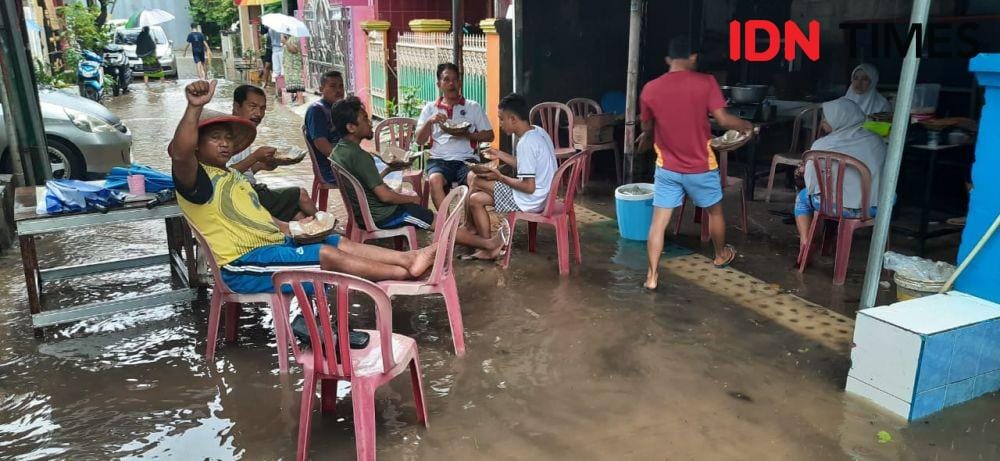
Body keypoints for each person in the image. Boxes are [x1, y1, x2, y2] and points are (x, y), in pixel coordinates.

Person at [169, 80, 436, 294]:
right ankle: (405, 273)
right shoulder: (197, 180)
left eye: (228, 138)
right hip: (242, 266)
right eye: (215, 138)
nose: (225, 144)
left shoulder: (232, 176)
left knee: (335, 240)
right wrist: (194, 107)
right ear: (196, 146)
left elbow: (262, 218)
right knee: (326, 254)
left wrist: (294, 228)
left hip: (269, 248)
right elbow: (180, 155)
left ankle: (408, 259)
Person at [637, 36, 753, 291]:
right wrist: (747, 126)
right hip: (701, 166)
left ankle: (652, 276)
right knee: (715, 212)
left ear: (668, 59)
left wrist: (647, 137)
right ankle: (720, 254)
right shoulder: (706, 82)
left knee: (658, 223)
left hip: (667, 167)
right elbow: (723, 120)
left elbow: (647, 128)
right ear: (692, 57)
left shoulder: (650, 89)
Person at [329, 97, 506, 255]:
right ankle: (488, 244)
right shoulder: (360, 157)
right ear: (351, 127)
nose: (370, 123)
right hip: (384, 215)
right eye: (364, 119)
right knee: (435, 221)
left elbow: (365, 183)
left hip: (366, 212)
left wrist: (390, 170)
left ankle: (472, 236)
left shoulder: (339, 152)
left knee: (430, 215)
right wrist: (411, 199)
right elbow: (385, 196)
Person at [465, 93, 557, 260]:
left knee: (475, 179)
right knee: (475, 200)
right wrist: (498, 153)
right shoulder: (538, 132)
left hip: (532, 200)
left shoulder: (526, 144)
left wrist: (500, 177)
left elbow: (528, 187)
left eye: (501, 119)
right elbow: (525, 165)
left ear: (513, 119)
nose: (499, 124)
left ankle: (469, 226)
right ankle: (489, 247)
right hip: (545, 195)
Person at [794, 98, 886, 247]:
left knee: (802, 198)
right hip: (871, 208)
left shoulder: (821, 145)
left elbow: (811, 184)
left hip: (831, 206)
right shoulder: (876, 141)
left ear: (840, 119)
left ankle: (805, 244)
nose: (823, 121)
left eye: (827, 117)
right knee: (890, 196)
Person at [228, 84, 317, 221]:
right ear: (236, 106)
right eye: (252, 106)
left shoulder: (245, 130)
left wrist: (261, 165)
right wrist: (255, 157)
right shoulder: (226, 134)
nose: (258, 113)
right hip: (241, 196)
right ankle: (327, 226)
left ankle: (323, 229)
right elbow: (223, 176)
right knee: (301, 195)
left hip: (249, 190)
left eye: (262, 108)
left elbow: (242, 172)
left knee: (298, 215)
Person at [415, 63, 495, 208]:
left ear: (460, 83)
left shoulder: (473, 107)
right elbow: (419, 140)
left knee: (474, 179)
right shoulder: (430, 108)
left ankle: (469, 220)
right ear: (439, 84)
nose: (451, 84)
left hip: (466, 160)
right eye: (446, 80)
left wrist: (467, 135)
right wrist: (429, 121)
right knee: (434, 180)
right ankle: (446, 221)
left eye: (455, 80)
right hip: (439, 160)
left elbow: (490, 136)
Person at [304, 70, 345, 185]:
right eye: (332, 86)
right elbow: (321, 144)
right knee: (369, 176)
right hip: (330, 169)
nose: (338, 90)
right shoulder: (317, 110)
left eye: (341, 86)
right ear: (321, 89)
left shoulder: (339, 109)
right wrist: (347, 162)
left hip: (342, 162)